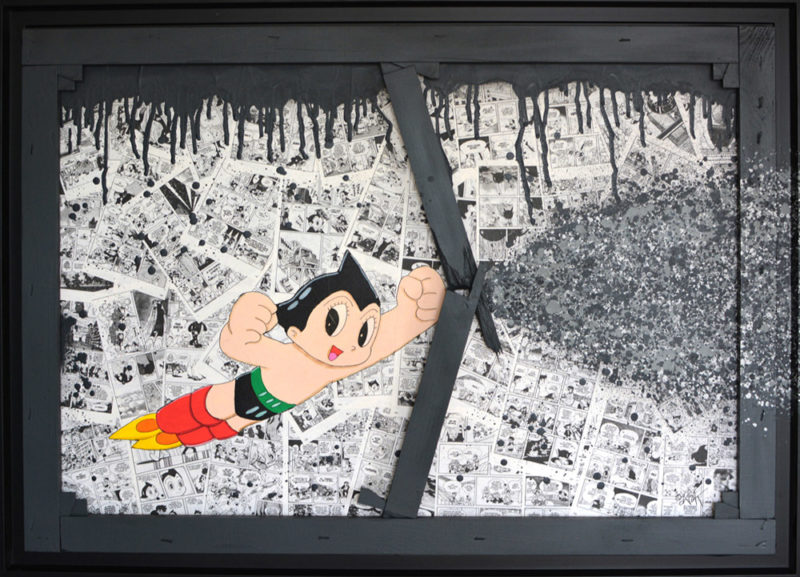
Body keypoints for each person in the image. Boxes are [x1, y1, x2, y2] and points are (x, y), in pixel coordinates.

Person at [112, 250, 445, 450]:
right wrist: (245, 320)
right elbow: (235, 344)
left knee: (219, 429)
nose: (348, 344)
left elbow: (389, 336)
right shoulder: (285, 356)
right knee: (204, 412)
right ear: (295, 331)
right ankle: (158, 425)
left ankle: (166, 437)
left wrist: (419, 310)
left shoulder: (346, 363)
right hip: (243, 393)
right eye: (332, 322)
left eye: (362, 332)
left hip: (258, 413)